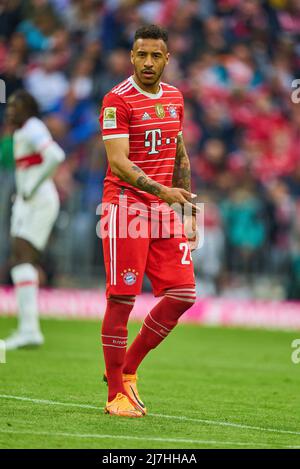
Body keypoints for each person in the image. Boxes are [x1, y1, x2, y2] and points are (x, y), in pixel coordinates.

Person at [99, 25, 198, 418]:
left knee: (183, 294)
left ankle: (128, 369)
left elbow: (180, 156)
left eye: (156, 56)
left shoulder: (175, 98)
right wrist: (163, 194)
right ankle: (115, 395)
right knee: (123, 298)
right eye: (142, 55)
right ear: (131, 57)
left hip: (161, 208)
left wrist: (189, 214)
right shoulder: (116, 100)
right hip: (125, 207)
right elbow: (118, 162)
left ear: (167, 59)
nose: (148, 63)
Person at [3, 90, 65, 350]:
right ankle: (28, 328)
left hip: (39, 200)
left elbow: (55, 156)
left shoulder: (32, 127)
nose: (10, 110)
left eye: (16, 106)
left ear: (28, 109)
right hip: (27, 202)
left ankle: (30, 330)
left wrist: (34, 186)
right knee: (19, 261)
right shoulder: (21, 132)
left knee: (24, 259)